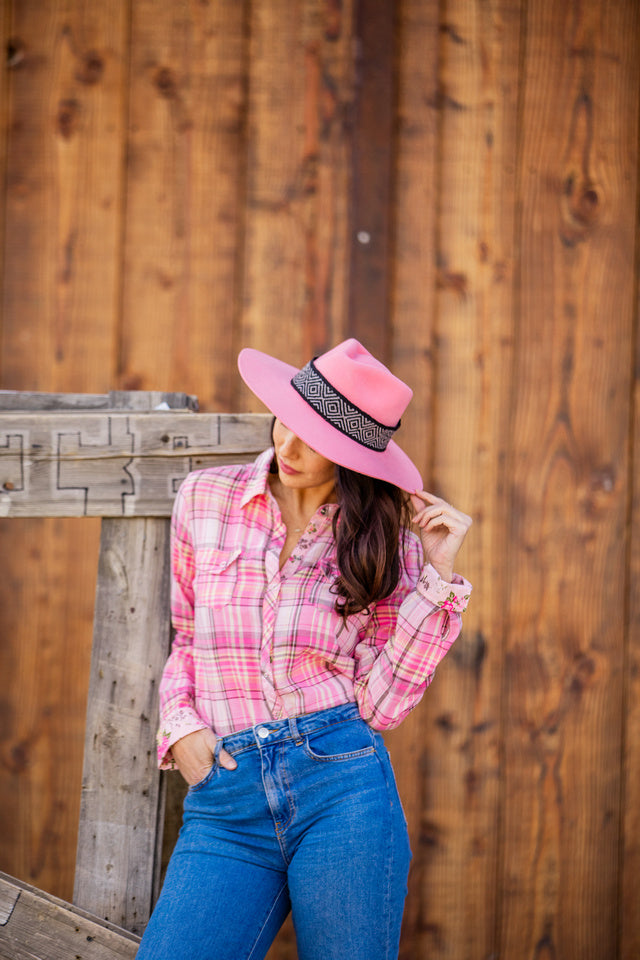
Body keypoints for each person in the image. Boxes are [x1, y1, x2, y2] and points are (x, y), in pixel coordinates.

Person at [136, 338, 472, 960]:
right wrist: (180, 726)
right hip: (227, 798)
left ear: (353, 454)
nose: (287, 446)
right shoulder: (205, 499)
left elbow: (382, 707)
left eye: (314, 438)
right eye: (285, 420)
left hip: (342, 789)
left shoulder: (384, 545)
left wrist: (438, 580)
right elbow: (186, 634)